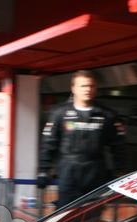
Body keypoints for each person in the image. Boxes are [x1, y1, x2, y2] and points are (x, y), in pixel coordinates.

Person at [37, 70, 126, 207]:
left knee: (92, 213)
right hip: (68, 172)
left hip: (96, 172)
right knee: (65, 215)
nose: (87, 89)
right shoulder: (59, 113)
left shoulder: (107, 115)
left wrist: (119, 171)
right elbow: (49, 143)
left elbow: (117, 145)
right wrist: (43, 170)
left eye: (91, 86)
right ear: (73, 88)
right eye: (83, 86)